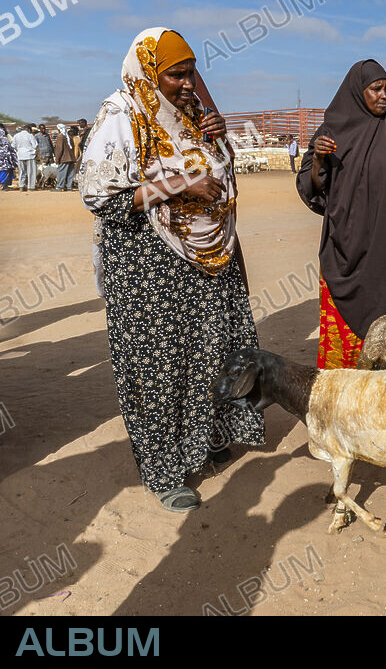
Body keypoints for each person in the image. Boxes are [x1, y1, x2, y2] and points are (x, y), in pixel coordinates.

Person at [79, 27, 264, 512]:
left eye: (191, 72)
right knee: (157, 365)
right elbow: (99, 195)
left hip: (208, 258)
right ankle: (164, 470)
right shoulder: (121, 114)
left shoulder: (193, 115)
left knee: (208, 352)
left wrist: (221, 144)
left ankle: (203, 440)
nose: (187, 83)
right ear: (147, 72)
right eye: (175, 74)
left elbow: (218, 174)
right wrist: (179, 186)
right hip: (147, 267)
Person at [296, 59, 386, 369]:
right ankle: (345, 390)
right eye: (376, 89)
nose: (383, 95)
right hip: (349, 242)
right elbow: (313, 186)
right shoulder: (333, 129)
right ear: (359, 92)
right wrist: (318, 159)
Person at [12, 124, 37, 191]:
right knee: (31, 172)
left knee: (21, 172)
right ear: (29, 129)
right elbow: (35, 145)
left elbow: (13, 146)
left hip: (20, 155)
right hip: (30, 155)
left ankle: (21, 186)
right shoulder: (30, 136)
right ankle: (30, 187)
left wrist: (19, 150)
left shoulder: (16, 136)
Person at [52, 123, 76, 192]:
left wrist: (57, 158)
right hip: (71, 157)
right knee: (70, 173)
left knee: (61, 172)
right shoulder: (68, 136)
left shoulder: (60, 136)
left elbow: (60, 149)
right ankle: (69, 187)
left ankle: (59, 187)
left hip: (64, 158)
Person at [0, 125, 16, 190]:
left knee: (5, 171)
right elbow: (11, 146)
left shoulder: (5, 138)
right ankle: (4, 185)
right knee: (5, 171)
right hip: (5, 158)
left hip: (5, 158)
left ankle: (5, 185)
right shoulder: (5, 138)